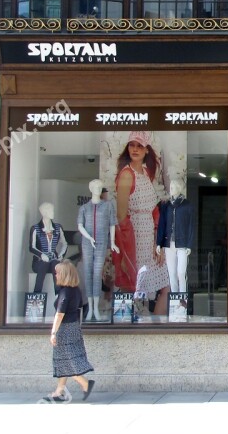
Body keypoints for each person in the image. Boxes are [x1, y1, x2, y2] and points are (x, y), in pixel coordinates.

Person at [114, 130, 169, 315]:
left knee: (164, 285)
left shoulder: (145, 172)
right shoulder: (126, 174)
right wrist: (125, 252)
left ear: (147, 150)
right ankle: (139, 327)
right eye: (132, 145)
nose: (135, 149)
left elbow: (153, 209)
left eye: (139, 146)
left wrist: (158, 242)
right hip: (134, 235)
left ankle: (153, 326)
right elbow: (121, 215)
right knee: (135, 286)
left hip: (149, 236)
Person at [45, 260, 95, 402]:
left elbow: (60, 314)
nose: (55, 275)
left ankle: (85, 383)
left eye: (58, 273)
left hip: (65, 329)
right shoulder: (75, 290)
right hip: (74, 327)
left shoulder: (65, 292)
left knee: (67, 360)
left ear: (64, 274)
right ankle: (59, 392)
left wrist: (53, 332)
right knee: (63, 360)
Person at [78, 179, 119, 321]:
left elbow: (112, 224)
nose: (97, 189)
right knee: (87, 273)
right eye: (95, 186)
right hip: (87, 243)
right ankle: (90, 308)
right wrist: (88, 237)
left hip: (101, 242)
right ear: (90, 188)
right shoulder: (84, 208)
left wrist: (112, 242)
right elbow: (80, 226)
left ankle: (95, 308)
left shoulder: (107, 206)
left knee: (97, 274)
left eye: (100, 187)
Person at [156, 179, 194, 293]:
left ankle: (183, 299)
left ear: (179, 188)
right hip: (169, 244)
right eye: (171, 186)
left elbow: (191, 225)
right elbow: (162, 224)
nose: (171, 188)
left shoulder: (187, 205)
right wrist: (159, 243)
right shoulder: (167, 206)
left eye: (173, 186)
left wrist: (189, 245)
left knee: (181, 273)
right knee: (171, 273)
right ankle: (174, 300)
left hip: (182, 243)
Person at [29, 202, 68, 293]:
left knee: (56, 265)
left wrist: (61, 255)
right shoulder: (35, 228)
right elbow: (31, 247)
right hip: (39, 262)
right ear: (44, 212)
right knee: (44, 264)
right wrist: (42, 255)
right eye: (50, 210)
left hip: (53, 260)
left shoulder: (58, 228)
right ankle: (37, 294)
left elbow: (64, 243)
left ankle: (59, 294)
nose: (53, 212)